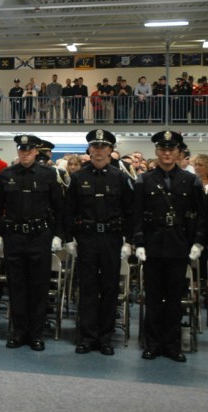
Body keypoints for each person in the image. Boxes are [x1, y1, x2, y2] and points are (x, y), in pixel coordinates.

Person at [133, 131, 205, 363]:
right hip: (153, 244)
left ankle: (172, 345)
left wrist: (198, 242)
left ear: (178, 152)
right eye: (162, 149)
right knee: (153, 297)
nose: (166, 153)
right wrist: (139, 241)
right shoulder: (145, 180)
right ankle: (152, 344)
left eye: (171, 149)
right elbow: (136, 214)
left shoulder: (190, 180)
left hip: (178, 244)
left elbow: (202, 215)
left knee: (175, 298)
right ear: (156, 152)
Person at [0, 134, 65, 351]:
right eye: (21, 150)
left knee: (38, 286)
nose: (25, 153)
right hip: (14, 236)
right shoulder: (6, 175)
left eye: (29, 150)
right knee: (16, 286)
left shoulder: (49, 175)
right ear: (18, 151)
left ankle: (36, 334)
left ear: (36, 151)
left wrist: (58, 235)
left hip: (39, 237)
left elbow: (60, 208)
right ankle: (18, 331)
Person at [65, 130, 134, 356]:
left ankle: (105, 337)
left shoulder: (120, 178)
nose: (98, 151)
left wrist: (128, 241)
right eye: (95, 146)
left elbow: (130, 212)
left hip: (112, 239)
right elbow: (69, 212)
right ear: (89, 150)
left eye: (103, 147)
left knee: (109, 289)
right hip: (86, 239)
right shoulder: (78, 178)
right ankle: (86, 336)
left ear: (110, 150)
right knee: (86, 288)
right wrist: (69, 239)